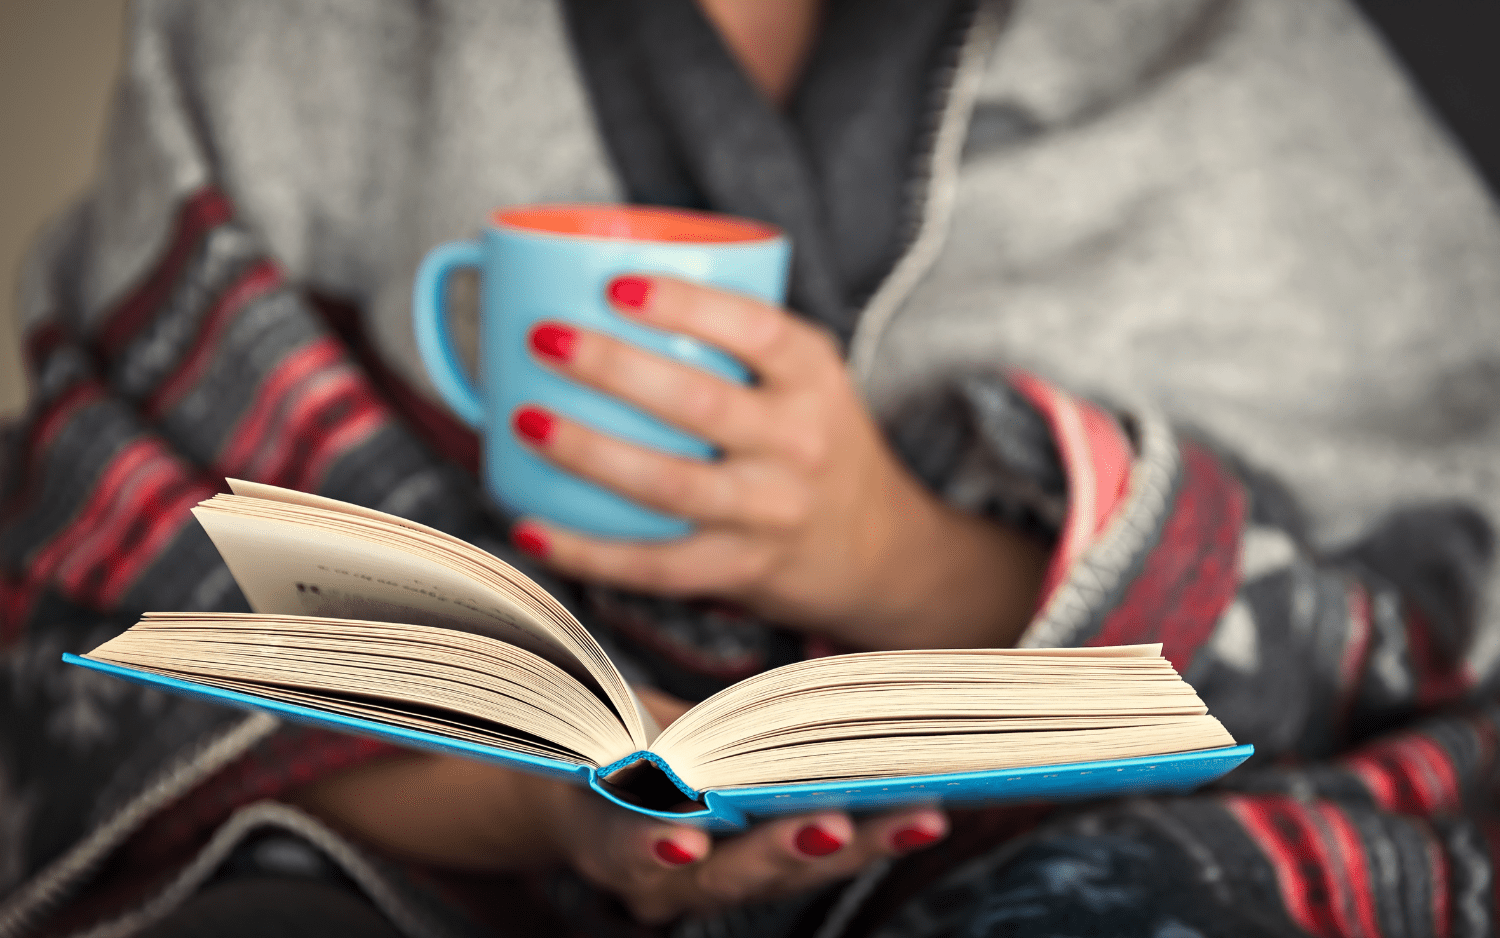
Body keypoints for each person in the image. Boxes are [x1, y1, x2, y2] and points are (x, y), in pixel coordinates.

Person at [3, 0, 1499, 935]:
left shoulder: (1255, 52)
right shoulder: (275, 38)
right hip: (438, 854)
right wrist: (559, 797)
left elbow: (1444, 610)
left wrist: (890, 548)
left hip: (1119, 832)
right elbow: (104, 606)